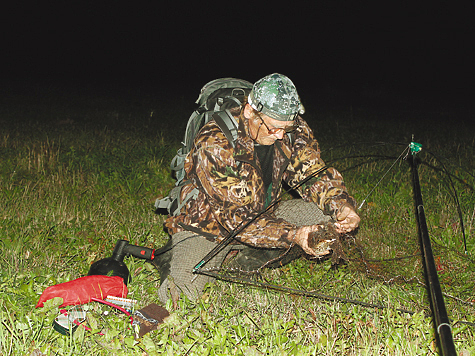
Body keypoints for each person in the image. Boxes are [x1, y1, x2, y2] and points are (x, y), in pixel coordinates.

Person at [155, 73, 360, 304]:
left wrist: (342, 207)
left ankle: (243, 259)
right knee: (181, 294)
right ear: (250, 111)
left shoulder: (290, 129)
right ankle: (183, 255)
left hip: (265, 217)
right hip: (209, 228)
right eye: (273, 128)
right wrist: (294, 235)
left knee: (326, 217)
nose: (281, 135)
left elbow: (312, 173)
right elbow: (238, 219)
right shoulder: (215, 141)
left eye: (287, 127)